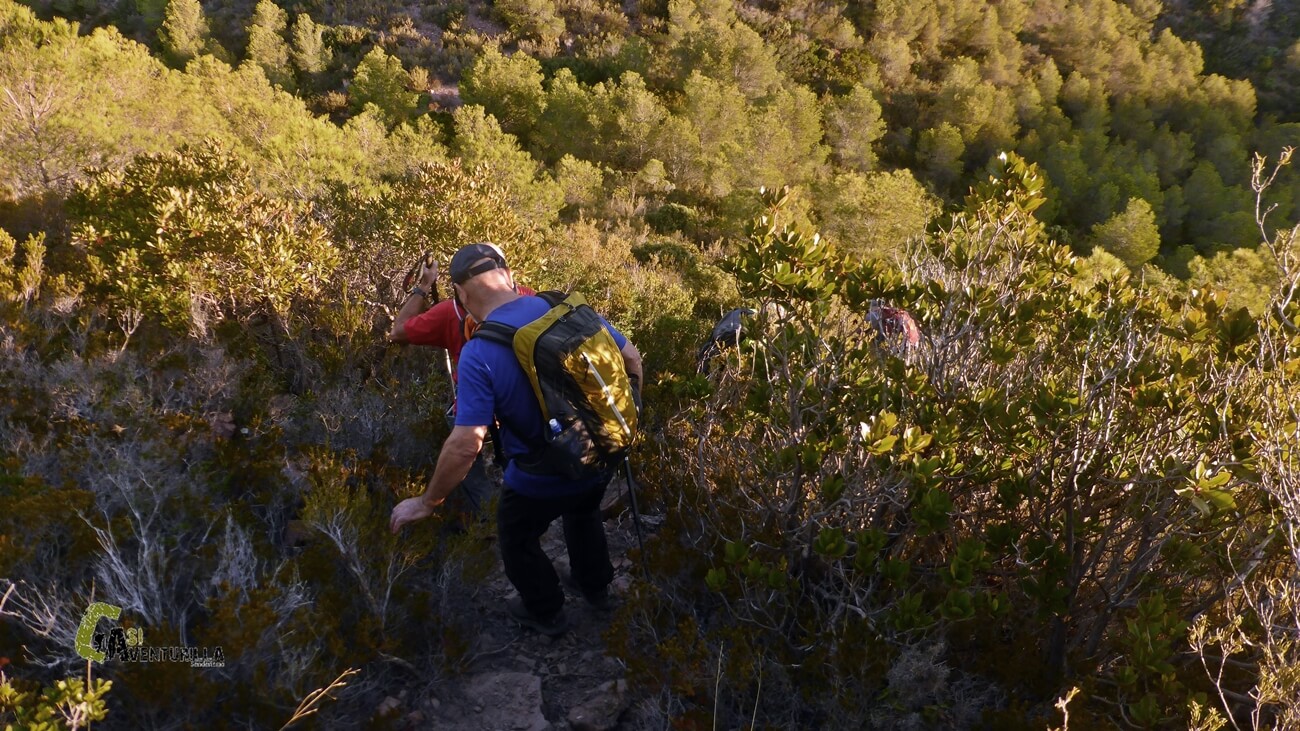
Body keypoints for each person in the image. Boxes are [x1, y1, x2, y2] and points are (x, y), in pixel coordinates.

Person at [390, 243, 644, 637]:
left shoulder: (479, 352)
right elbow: (632, 359)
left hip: (540, 476)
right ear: (508, 276)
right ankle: (595, 588)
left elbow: (465, 444)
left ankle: (545, 609)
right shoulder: (566, 308)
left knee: (516, 535)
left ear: (461, 293)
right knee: (584, 510)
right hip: (602, 448)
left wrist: (428, 502)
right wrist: (628, 415)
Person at [388, 247, 535, 516]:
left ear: (462, 290)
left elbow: (397, 332)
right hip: (527, 403)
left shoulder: (449, 313)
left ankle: (486, 513)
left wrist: (423, 286)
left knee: (460, 430)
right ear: (504, 273)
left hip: (481, 406)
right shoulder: (530, 299)